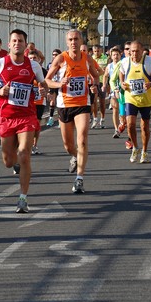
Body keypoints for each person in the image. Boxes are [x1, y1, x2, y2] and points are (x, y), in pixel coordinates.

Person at [0, 28, 47, 213]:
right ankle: (15, 162)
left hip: (27, 116)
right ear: (9, 44)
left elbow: (43, 84)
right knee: (8, 161)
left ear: (26, 45)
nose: (17, 43)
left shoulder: (33, 66)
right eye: (14, 41)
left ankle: (23, 198)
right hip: (6, 117)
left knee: (25, 153)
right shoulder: (0, 64)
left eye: (20, 41)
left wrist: (43, 90)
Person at [46, 29, 100, 194]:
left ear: (81, 40)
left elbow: (96, 75)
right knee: (68, 145)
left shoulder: (86, 58)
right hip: (64, 105)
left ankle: (79, 179)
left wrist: (94, 84)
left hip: (82, 103)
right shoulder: (61, 59)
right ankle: (75, 156)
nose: (73, 42)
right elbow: (48, 80)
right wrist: (60, 83)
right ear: (66, 42)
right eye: (70, 39)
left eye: (76, 39)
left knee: (82, 139)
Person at [119, 40, 151, 163]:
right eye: (132, 51)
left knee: (144, 126)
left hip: (145, 99)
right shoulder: (125, 62)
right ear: (129, 52)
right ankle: (135, 148)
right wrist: (122, 83)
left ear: (142, 51)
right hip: (130, 97)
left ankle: (145, 151)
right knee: (130, 124)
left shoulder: (149, 61)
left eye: (137, 51)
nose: (134, 54)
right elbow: (121, 73)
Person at [28, 49, 47, 154]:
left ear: (39, 59)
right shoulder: (25, 70)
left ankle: (35, 145)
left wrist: (47, 92)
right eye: (30, 58)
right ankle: (29, 145)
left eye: (34, 58)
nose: (32, 60)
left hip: (40, 101)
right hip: (29, 102)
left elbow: (48, 83)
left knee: (37, 125)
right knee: (30, 124)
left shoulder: (43, 71)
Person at [102, 46, 123, 138]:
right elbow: (105, 76)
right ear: (111, 56)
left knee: (123, 111)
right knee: (115, 108)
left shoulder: (123, 64)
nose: (115, 56)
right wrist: (104, 85)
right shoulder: (109, 66)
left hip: (123, 90)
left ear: (120, 55)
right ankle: (116, 129)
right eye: (114, 55)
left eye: (117, 55)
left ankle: (122, 122)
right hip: (114, 90)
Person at [90, 43, 108, 128]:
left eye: (98, 51)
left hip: (102, 82)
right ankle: (95, 119)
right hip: (93, 82)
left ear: (101, 51)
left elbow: (106, 71)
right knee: (94, 101)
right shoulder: (91, 59)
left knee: (102, 102)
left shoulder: (105, 59)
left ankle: (103, 119)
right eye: (95, 51)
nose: (96, 53)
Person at [46, 49, 61, 127]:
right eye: (53, 54)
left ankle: (60, 119)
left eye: (56, 55)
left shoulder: (62, 64)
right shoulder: (49, 64)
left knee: (59, 102)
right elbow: (47, 76)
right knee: (52, 101)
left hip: (59, 84)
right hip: (52, 84)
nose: (54, 56)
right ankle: (51, 117)